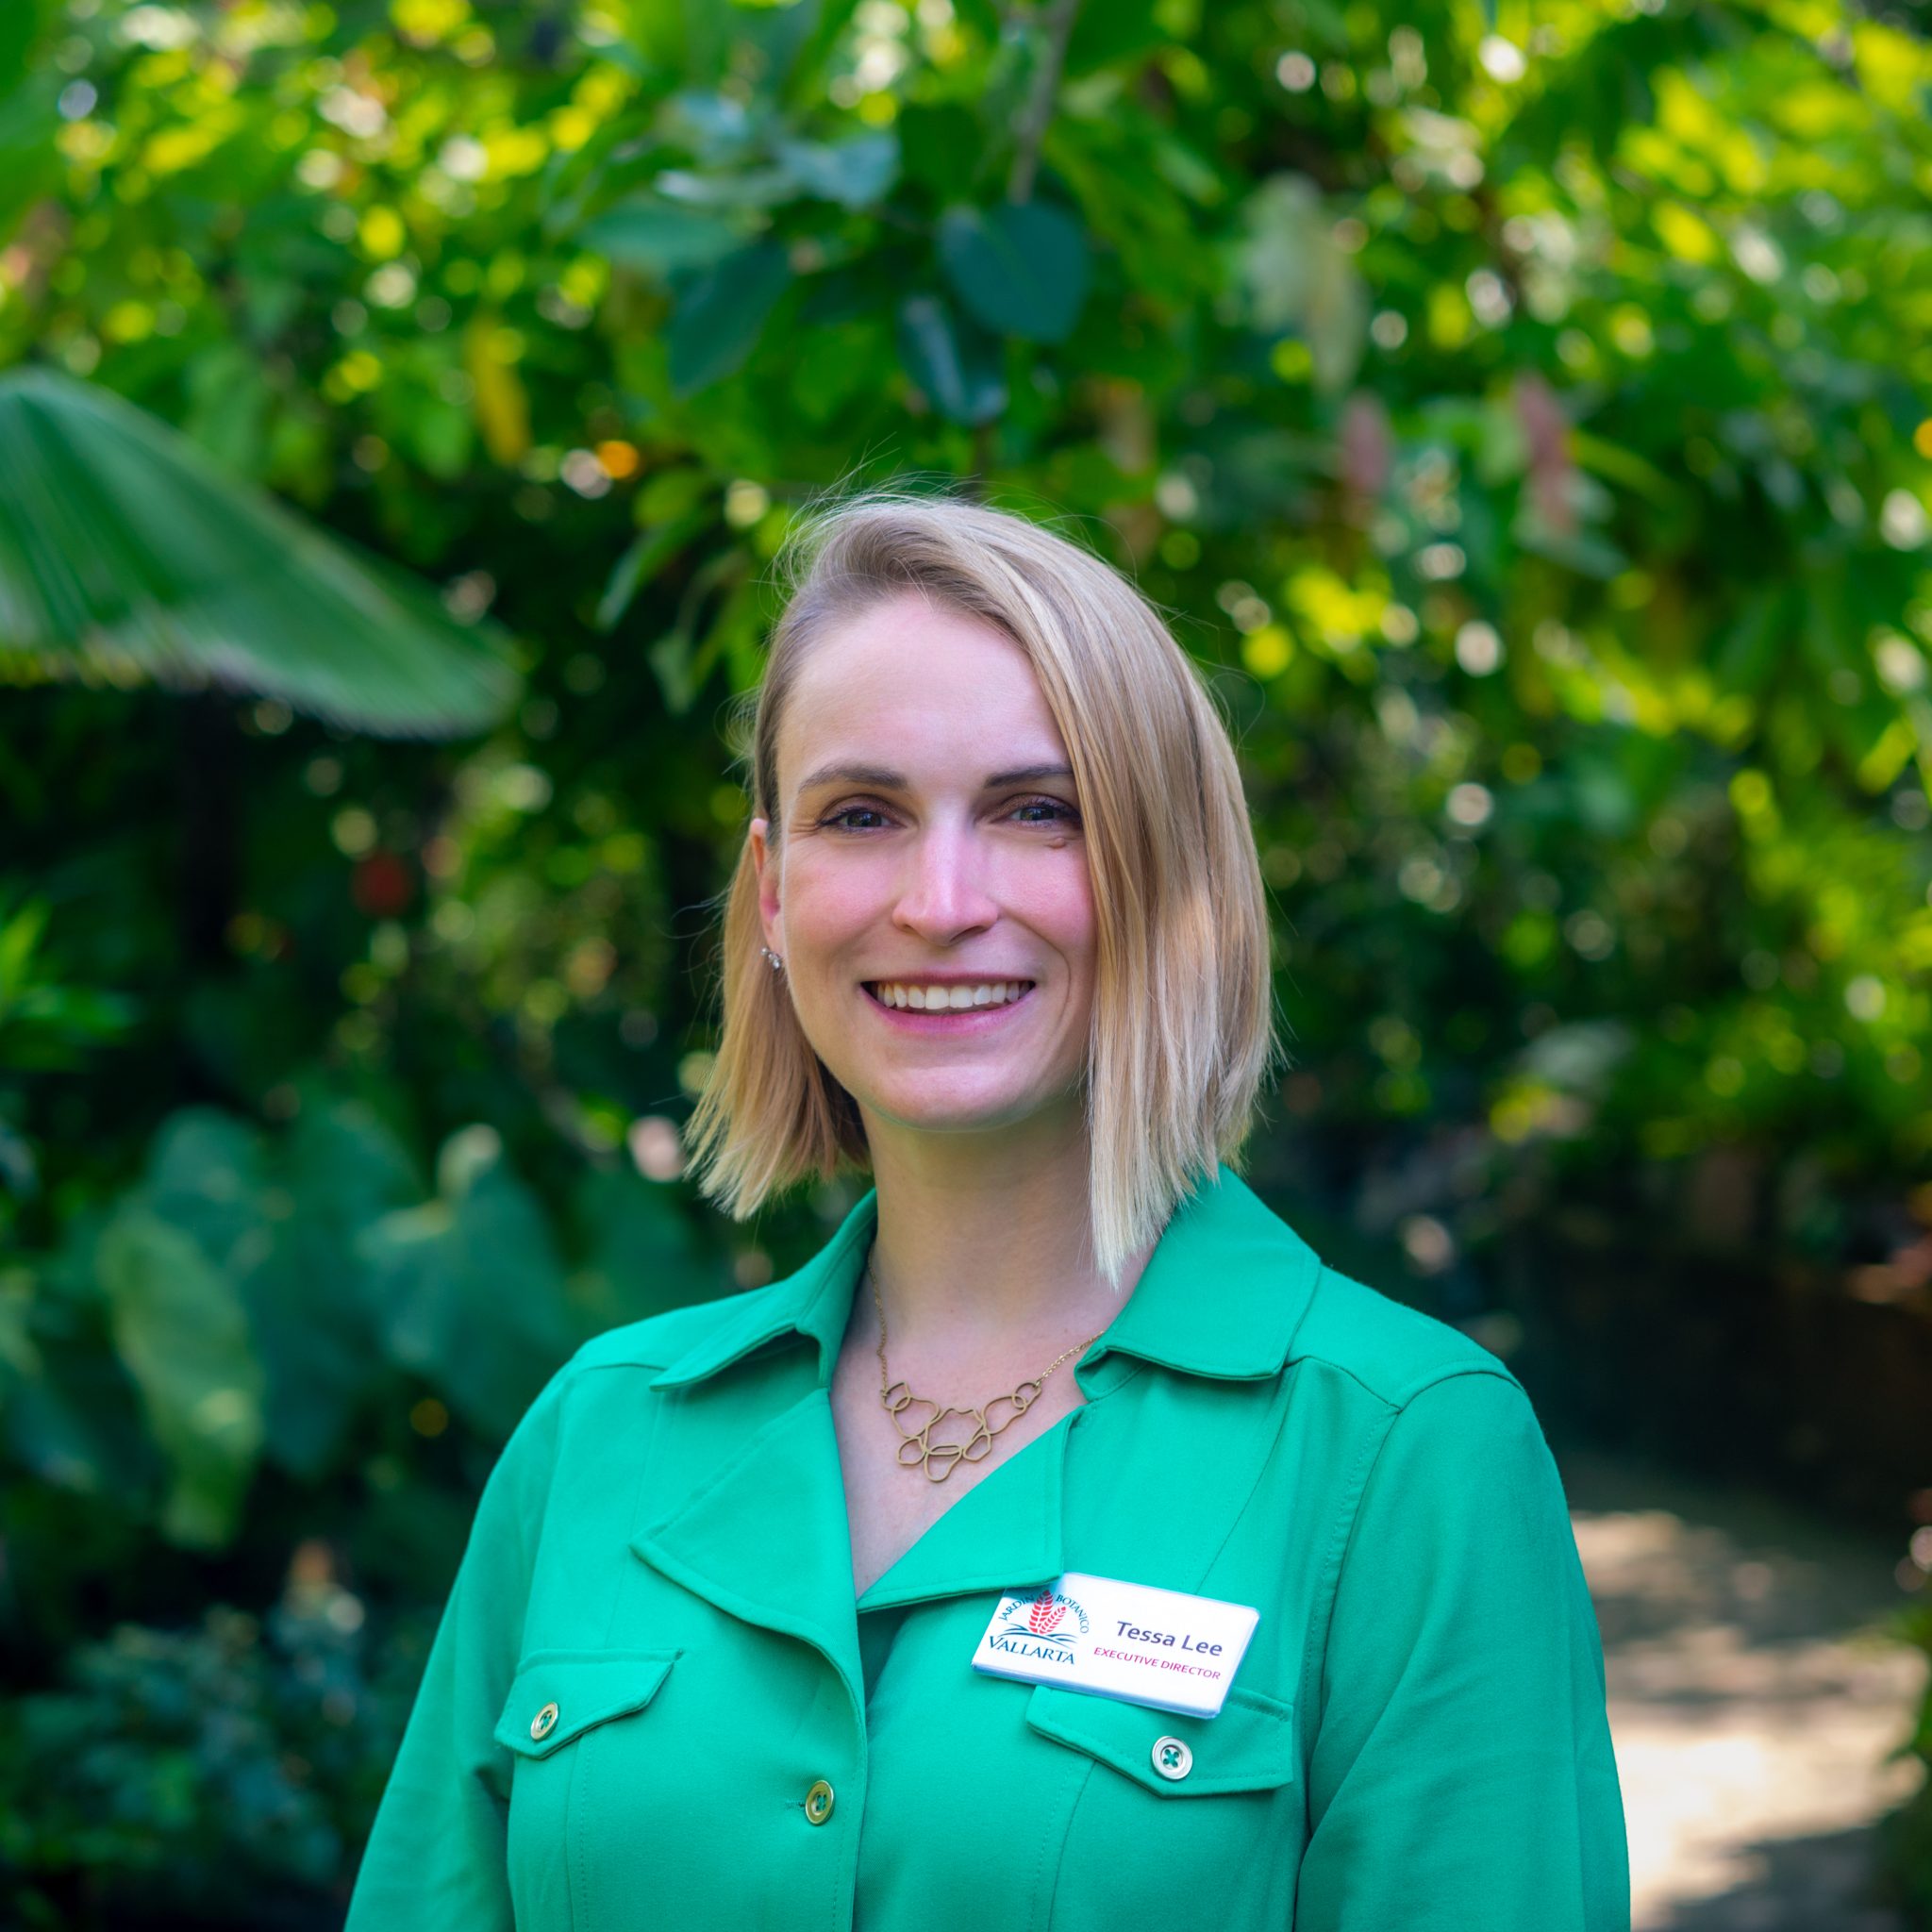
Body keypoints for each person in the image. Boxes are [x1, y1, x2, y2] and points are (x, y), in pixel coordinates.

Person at [344, 487, 1630, 1931]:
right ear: (772, 896)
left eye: (1037, 812)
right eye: (862, 814)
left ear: (1168, 877)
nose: (941, 899)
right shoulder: (601, 1437)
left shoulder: (1403, 1458)